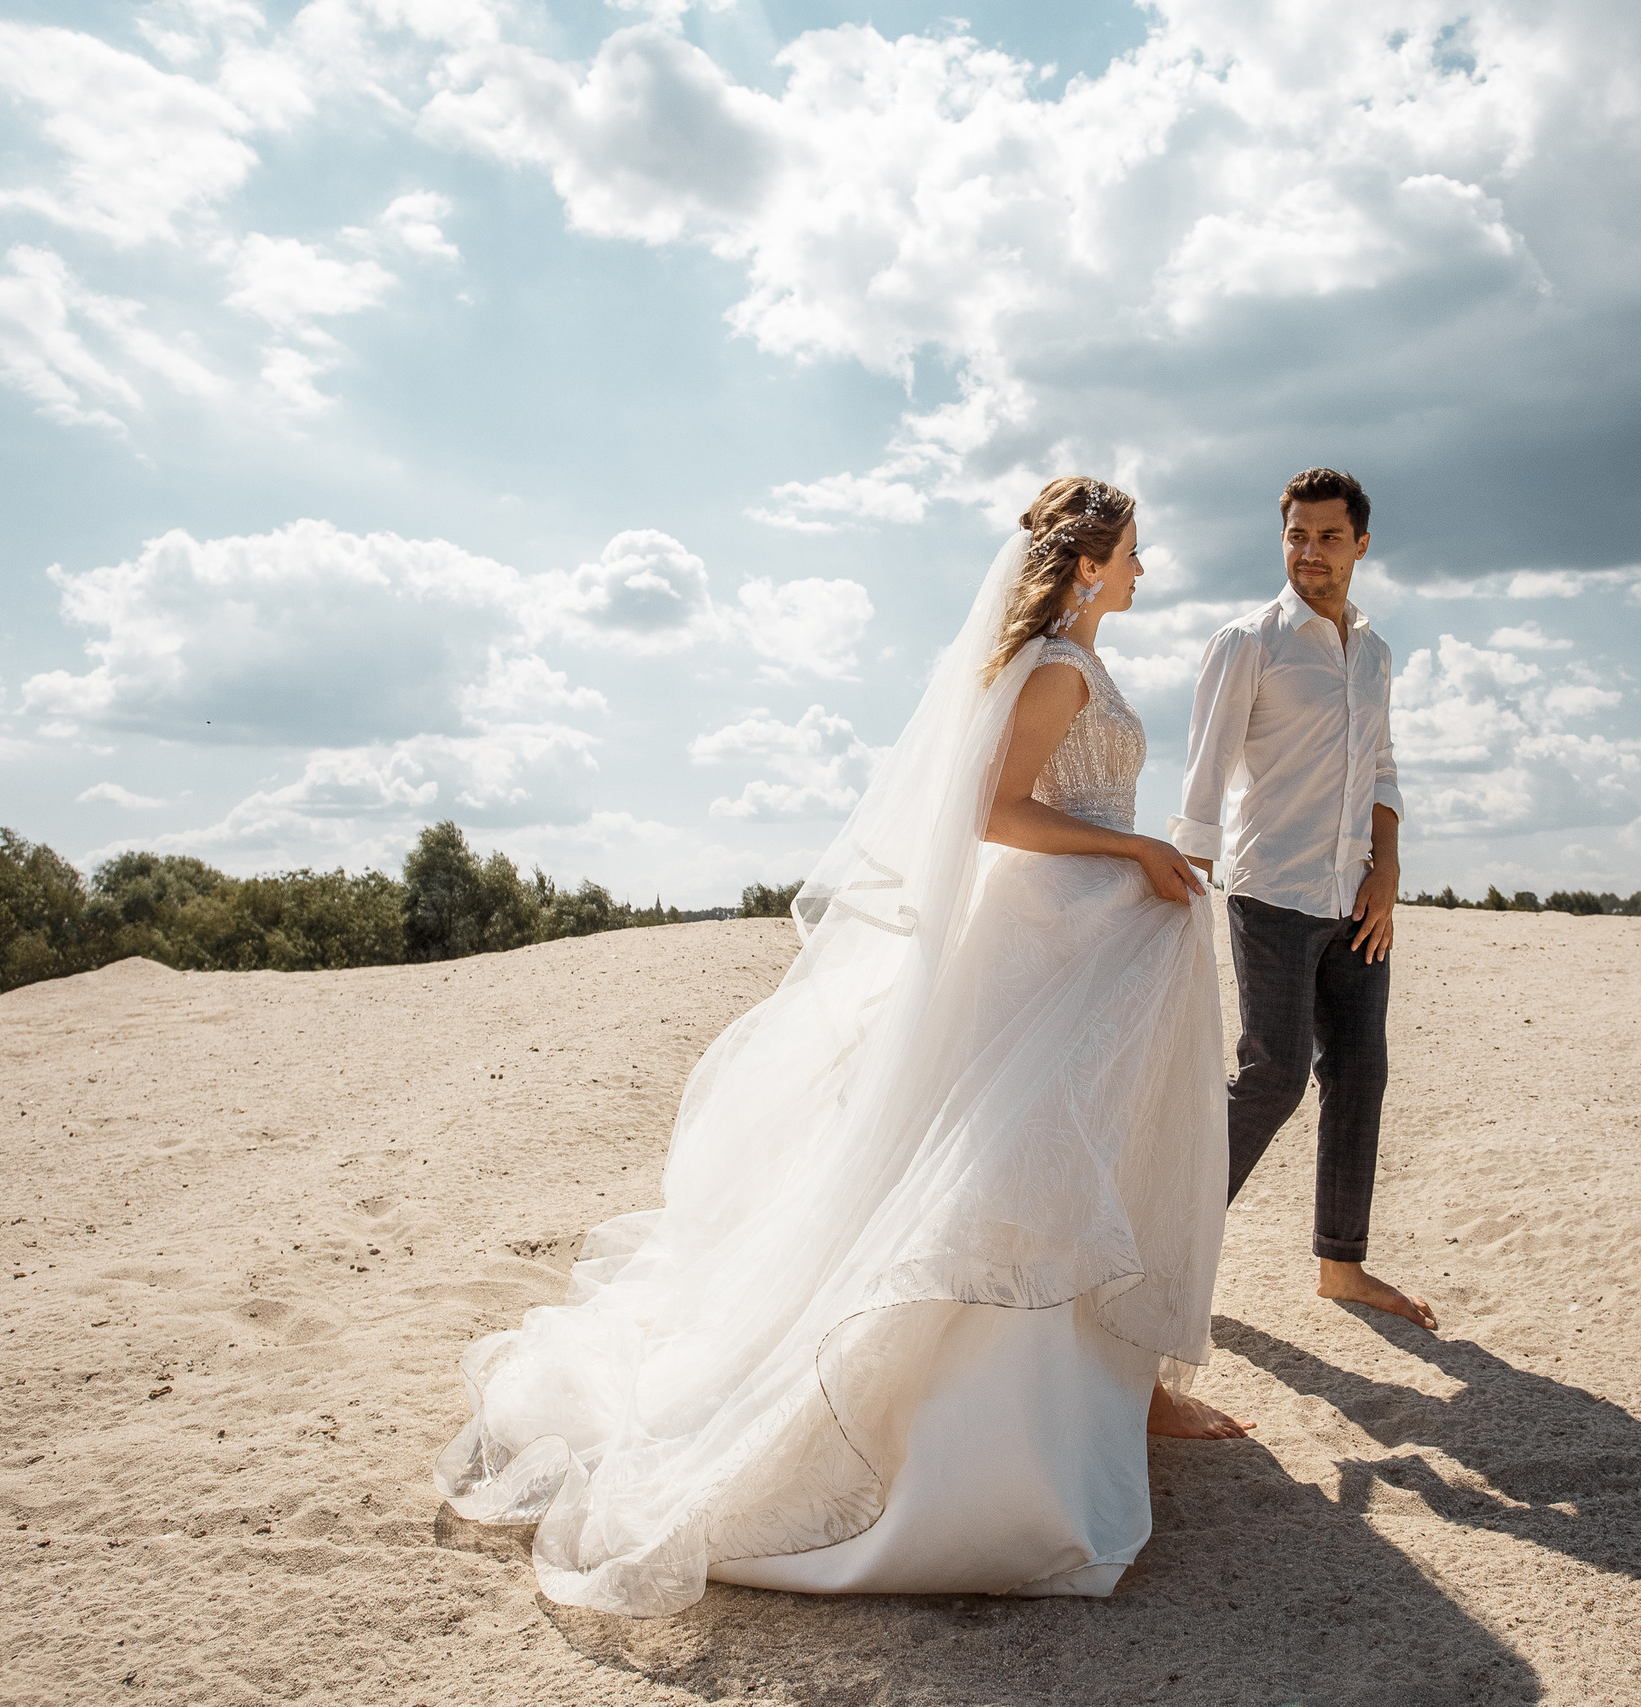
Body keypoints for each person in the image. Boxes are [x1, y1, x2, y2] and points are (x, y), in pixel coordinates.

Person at [433, 476, 1245, 1620]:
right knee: (1017, 1161)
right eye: (1131, 555)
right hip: (1053, 928)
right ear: (1088, 566)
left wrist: (1134, 868)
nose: (1144, 570)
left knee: (1060, 1156)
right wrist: (1132, 854)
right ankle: (983, 1440)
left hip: (1078, 936)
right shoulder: (1057, 671)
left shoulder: (1074, 664)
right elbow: (996, 812)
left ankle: (1114, 1393)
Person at [1169, 467, 1437, 1334]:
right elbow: (1203, 776)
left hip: (1356, 898)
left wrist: (1386, 869)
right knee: (1275, 1073)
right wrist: (1181, 879)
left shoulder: (1375, 654)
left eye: (1327, 536)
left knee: (1361, 1071)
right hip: (1273, 891)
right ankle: (1171, 1252)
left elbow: (1384, 771)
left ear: (1362, 543)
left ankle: (1340, 1265)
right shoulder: (1249, 641)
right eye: (1295, 535)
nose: (1309, 552)